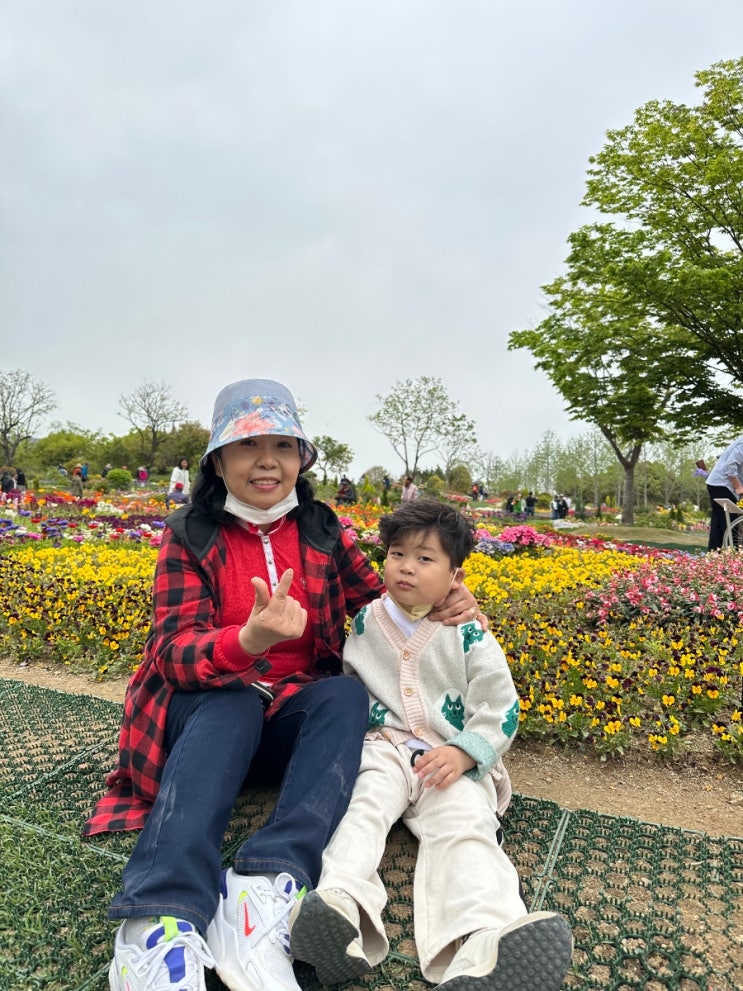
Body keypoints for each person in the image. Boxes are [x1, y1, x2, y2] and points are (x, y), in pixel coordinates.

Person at [84, 378, 483, 991]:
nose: (267, 461)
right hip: (203, 727)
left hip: (282, 725)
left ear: (301, 457)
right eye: (247, 445)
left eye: (282, 445)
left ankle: (266, 889)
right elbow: (171, 653)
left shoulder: (321, 529)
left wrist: (442, 598)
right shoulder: (191, 533)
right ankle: (158, 919)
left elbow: (381, 605)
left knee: (343, 695)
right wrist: (246, 642)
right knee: (234, 701)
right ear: (218, 462)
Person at [289, 498, 573, 990]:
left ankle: (485, 941)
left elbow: (500, 706)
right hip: (383, 747)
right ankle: (340, 909)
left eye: (425, 558)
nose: (406, 567)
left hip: (448, 756)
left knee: (465, 826)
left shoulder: (468, 633)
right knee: (361, 810)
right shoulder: (365, 623)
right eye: (397, 554)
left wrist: (466, 751)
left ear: (455, 575)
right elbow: (351, 686)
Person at [705, 438, 743, 550]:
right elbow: (730, 466)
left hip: (717, 483)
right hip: (722, 485)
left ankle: (712, 555)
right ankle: (735, 556)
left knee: (718, 524)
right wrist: (738, 487)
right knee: (731, 524)